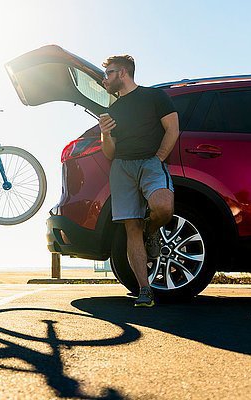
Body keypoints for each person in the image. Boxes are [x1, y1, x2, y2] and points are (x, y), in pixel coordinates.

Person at [99, 55, 179, 307]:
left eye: (109, 73)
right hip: (122, 167)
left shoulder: (154, 97)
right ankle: (145, 290)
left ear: (122, 73)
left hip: (151, 163)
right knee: (131, 227)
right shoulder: (113, 109)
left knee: (164, 206)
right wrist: (106, 134)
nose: (105, 79)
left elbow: (173, 129)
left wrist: (158, 159)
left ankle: (152, 230)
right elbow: (109, 153)